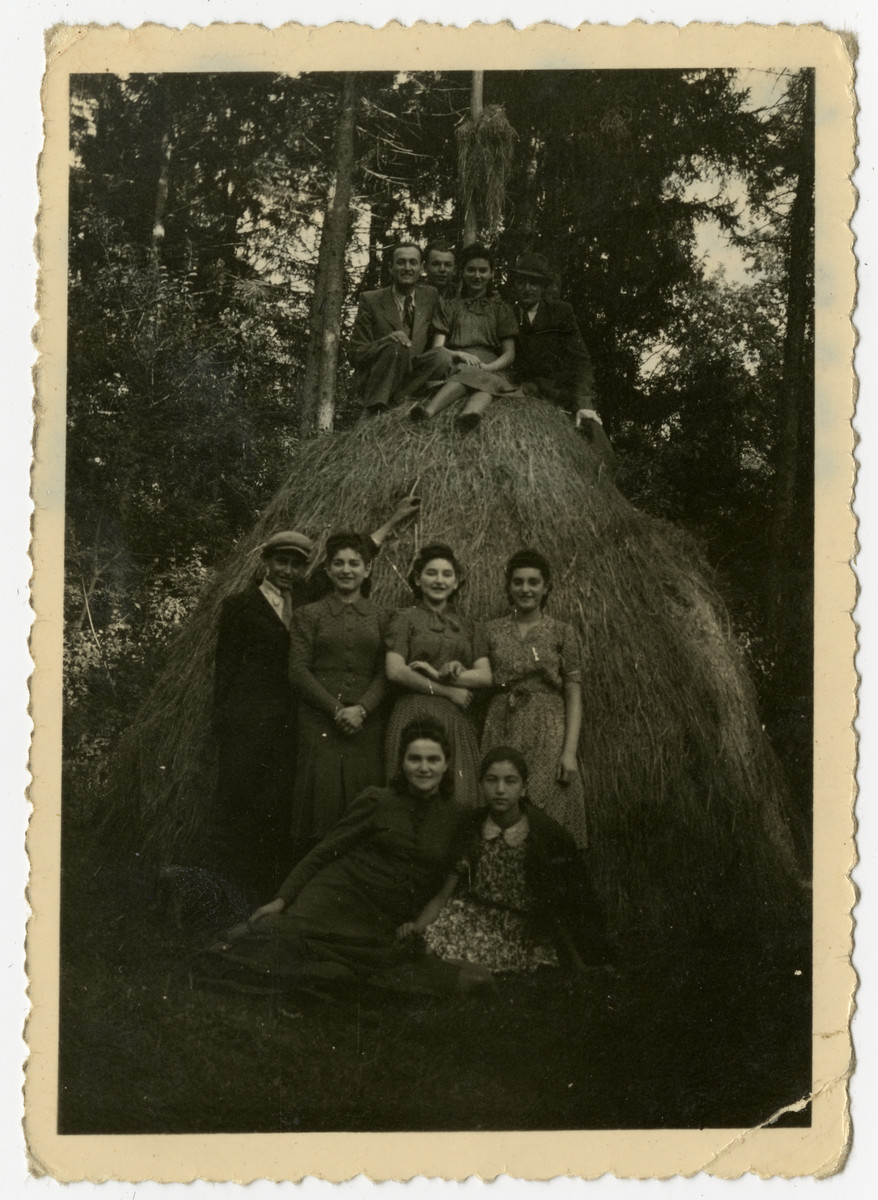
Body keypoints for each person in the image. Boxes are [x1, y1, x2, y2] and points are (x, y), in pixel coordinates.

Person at [211, 495, 420, 899]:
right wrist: (224, 720)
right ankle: (233, 892)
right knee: (245, 800)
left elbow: (352, 559)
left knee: (284, 803)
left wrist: (392, 521)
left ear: (306, 569)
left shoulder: (304, 599)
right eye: (280, 562)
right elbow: (226, 667)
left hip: (296, 719)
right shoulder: (240, 606)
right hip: (253, 720)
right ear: (265, 563)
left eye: (295, 564)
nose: (287, 570)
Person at [192, 721, 471, 994]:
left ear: (447, 764)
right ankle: (233, 939)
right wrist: (282, 899)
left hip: (383, 917)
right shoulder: (378, 800)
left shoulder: (458, 817)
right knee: (284, 937)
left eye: (433, 759)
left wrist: (417, 924)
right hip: (339, 892)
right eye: (415, 759)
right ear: (402, 763)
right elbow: (325, 851)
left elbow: (444, 887)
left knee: (369, 968)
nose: (424, 768)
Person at [400, 747, 609, 974]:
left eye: (510, 781)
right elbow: (444, 894)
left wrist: (582, 958)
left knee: (473, 970)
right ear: (481, 785)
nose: (500, 790)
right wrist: (417, 927)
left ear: (523, 788)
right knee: (422, 950)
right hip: (472, 918)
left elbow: (568, 902)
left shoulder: (542, 834)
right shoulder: (473, 827)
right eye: (492, 780)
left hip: (520, 927)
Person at [288, 533, 388, 860]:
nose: (347, 570)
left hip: (365, 725)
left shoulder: (382, 617)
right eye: (339, 564)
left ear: (367, 569)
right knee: (321, 805)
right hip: (320, 723)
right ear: (328, 570)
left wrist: (362, 709)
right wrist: (336, 709)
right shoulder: (308, 615)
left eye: (354, 563)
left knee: (362, 805)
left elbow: (386, 672)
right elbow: (298, 670)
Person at [481, 549, 589, 850]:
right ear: (508, 587)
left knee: (547, 809)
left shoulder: (562, 632)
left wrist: (569, 752)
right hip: (502, 723)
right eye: (518, 582)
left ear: (546, 587)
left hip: (548, 727)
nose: (525, 589)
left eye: (533, 582)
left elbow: (573, 691)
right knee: (501, 802)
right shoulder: (490, 631)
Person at [385, 543, 491, 807]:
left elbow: (485, 677)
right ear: (418, 579)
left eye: (446, 574)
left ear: (456, 583)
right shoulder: (403, 619)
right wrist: (448, 691)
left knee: (460, 798)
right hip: (412, 715)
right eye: (431, 573)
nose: (439, 580)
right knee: (407, 798)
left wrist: (453, 674)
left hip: (454, 721)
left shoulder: (470, 627)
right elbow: (395, 671)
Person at [510, 251, 615, 470]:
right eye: (522, 281)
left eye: (534, 283)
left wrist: (583, 402)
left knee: (602, 456)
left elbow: (581, 361)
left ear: (543, 287)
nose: (527, 288)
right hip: (521, 392)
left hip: (559, 394)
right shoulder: (506, 314)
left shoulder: (561, 313)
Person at [409, 243, 518, 432]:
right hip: (458, 363)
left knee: (489, 381)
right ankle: (428, 412)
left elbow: (509, 353)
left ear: (491, 273)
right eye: (471, 270)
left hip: (493, 365)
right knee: (466, 375)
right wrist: (458, 354)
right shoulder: (449, 307)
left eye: (483, 271)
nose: (477, 276)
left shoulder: (502, 309)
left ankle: (468, 415)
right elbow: (438, 347)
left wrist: (489, 367)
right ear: (463, 272)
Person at [349, 241, 453, 415]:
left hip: (413, 377)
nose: (407, 267)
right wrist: (386, 341)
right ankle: (375, 410)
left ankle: (399, 401)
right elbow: (356, 353)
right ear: (390, 268)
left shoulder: (430, 295)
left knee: (442, 355)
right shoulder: (371, 300)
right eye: (401, 262)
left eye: (413, 262)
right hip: (380, 376)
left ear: (422, 268)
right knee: (397, 346)